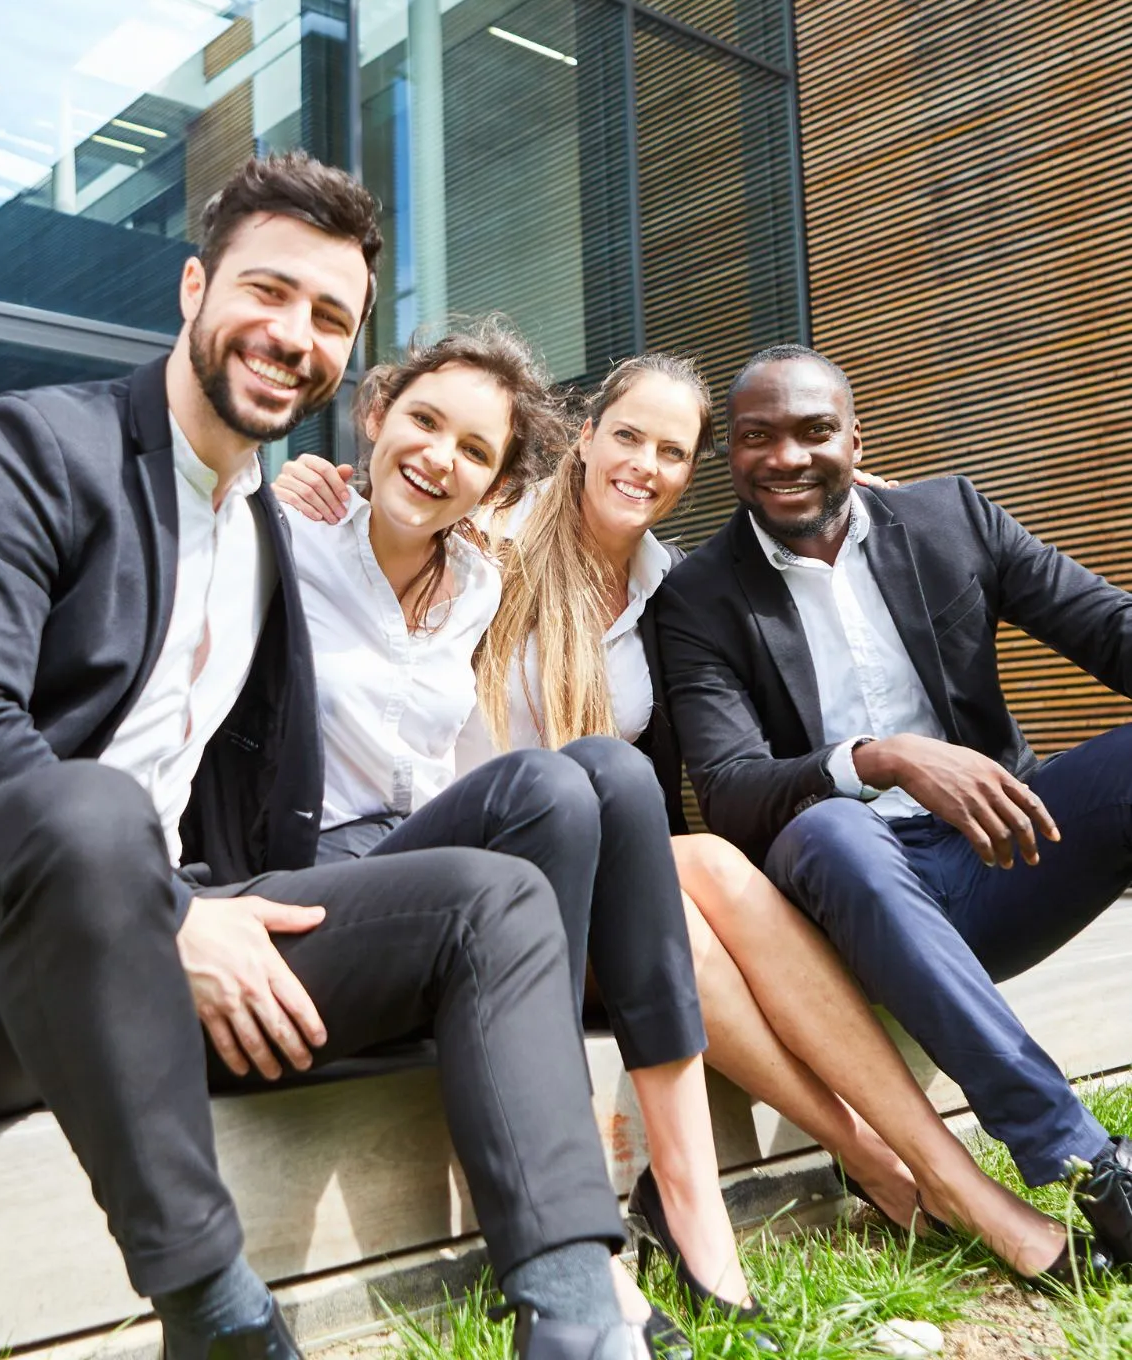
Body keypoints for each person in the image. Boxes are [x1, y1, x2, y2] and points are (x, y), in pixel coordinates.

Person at [0, 153, 647, 1360]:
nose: (291, 334)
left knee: (500, 896)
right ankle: (222, 1320)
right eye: (268, 291)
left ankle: (580, 1320)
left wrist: (212, 912)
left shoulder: (264, 535)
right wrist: (170, 914)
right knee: (93, 812)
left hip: (176, 935)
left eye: (330, 316)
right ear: (195, 286)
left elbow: (261, 827)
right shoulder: (31, 450)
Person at [284, 352, 1094, 1297]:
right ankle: (894, 1163)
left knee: (692, 860)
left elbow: (674, 781)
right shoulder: (487, 539)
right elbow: (404, 505)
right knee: (677, 853)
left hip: (590, 878)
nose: (643, 464)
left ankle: (914, 1174)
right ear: (581, 439)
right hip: (466, 873)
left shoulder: (669, 589)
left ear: (691, 472)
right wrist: (322, 479)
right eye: (626, 436)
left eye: (671, 451)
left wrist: (877, 505)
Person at [273, 326, 775, 1356]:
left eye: (473, 449)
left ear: (496, 482)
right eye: (422, 423)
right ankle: (581, 1254)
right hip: (306, 873)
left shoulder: (479, 580)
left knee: (607, 773)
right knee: (559, 784)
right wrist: (287, 483)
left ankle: (689, 1197)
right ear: (372, 418)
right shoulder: (281, 544)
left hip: (419, 854)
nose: (439, 458)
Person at [654, 340, 1132, 1272]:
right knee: (832, 826)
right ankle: (1087, 1165)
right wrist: (883, 759)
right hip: (839, 911)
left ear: (855, 437)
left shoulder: (949, 516)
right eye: (755, 437)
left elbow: (1106, 629)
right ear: (731, 456)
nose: (785, 457)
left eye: (811, 432)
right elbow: (732, 792)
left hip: (1002, 857)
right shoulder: (699, 598)